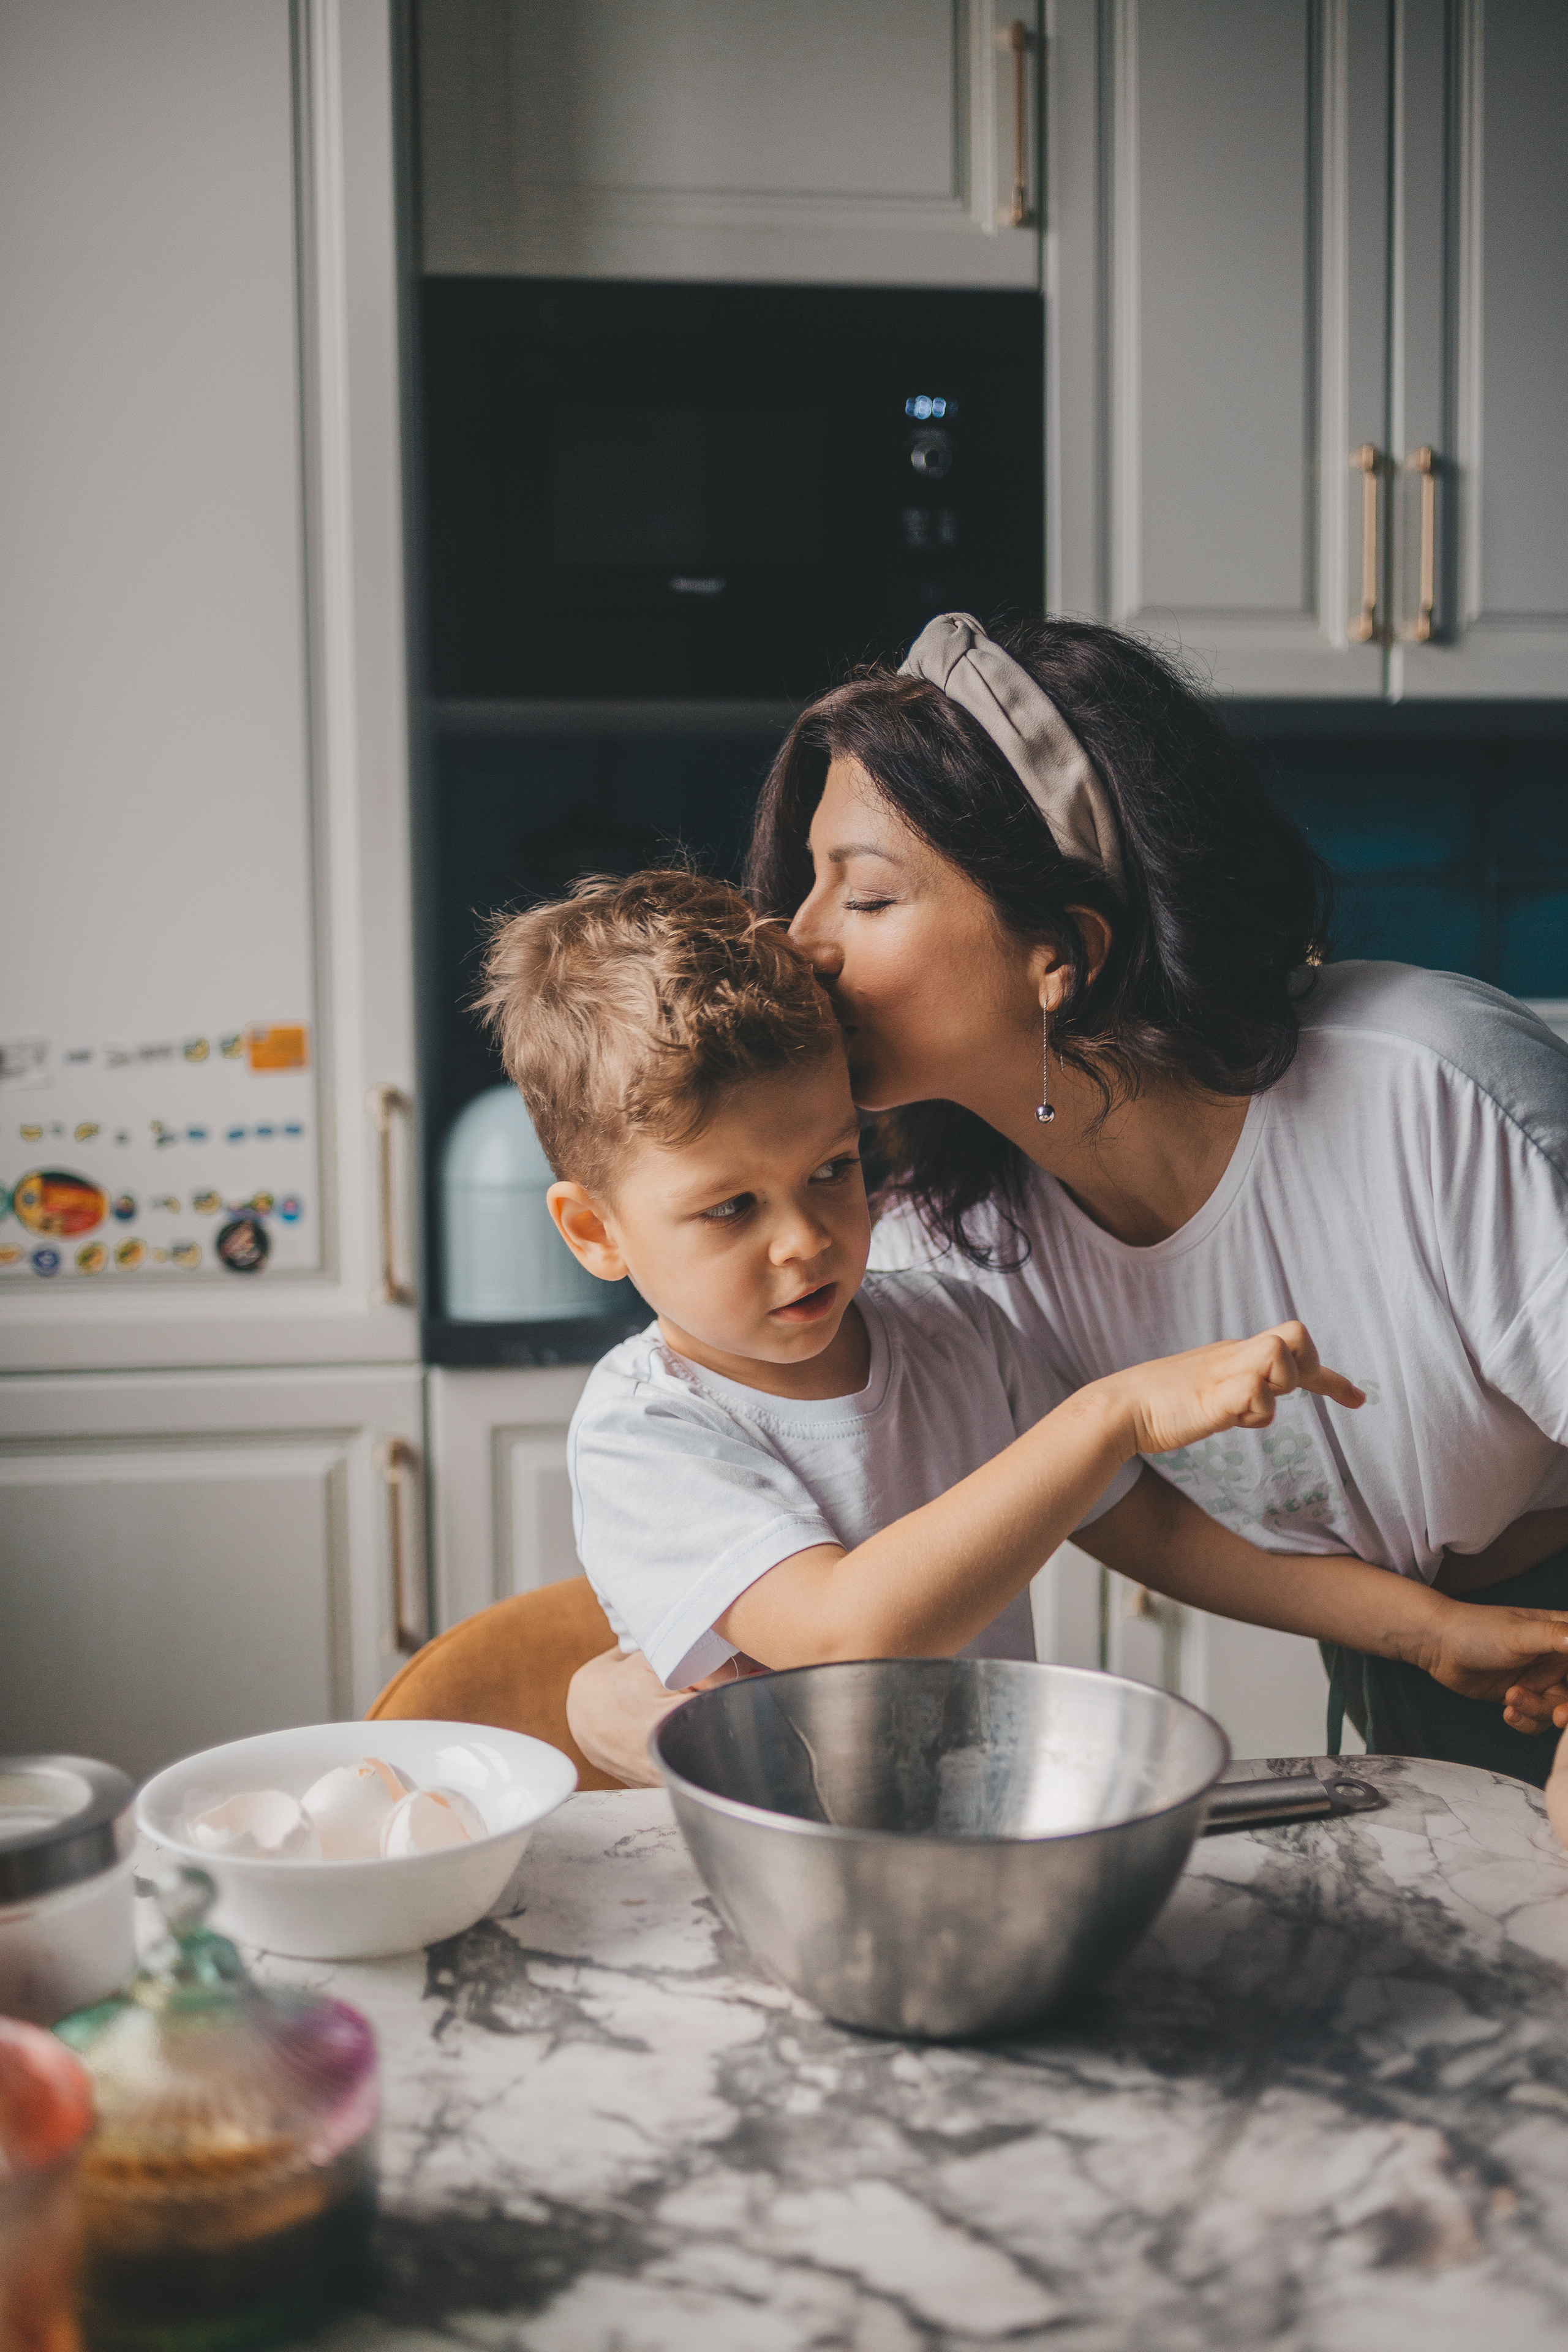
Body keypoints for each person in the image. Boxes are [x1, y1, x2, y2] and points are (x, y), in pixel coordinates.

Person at [565, 614, 1568, 1786]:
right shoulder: (946, 1239)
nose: (798, 942)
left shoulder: (1435, 1092)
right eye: (807, 888)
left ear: (1063, 950)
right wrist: (608, 1690)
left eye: (869, 897)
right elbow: (1106, 1509)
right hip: (1439, 1666)